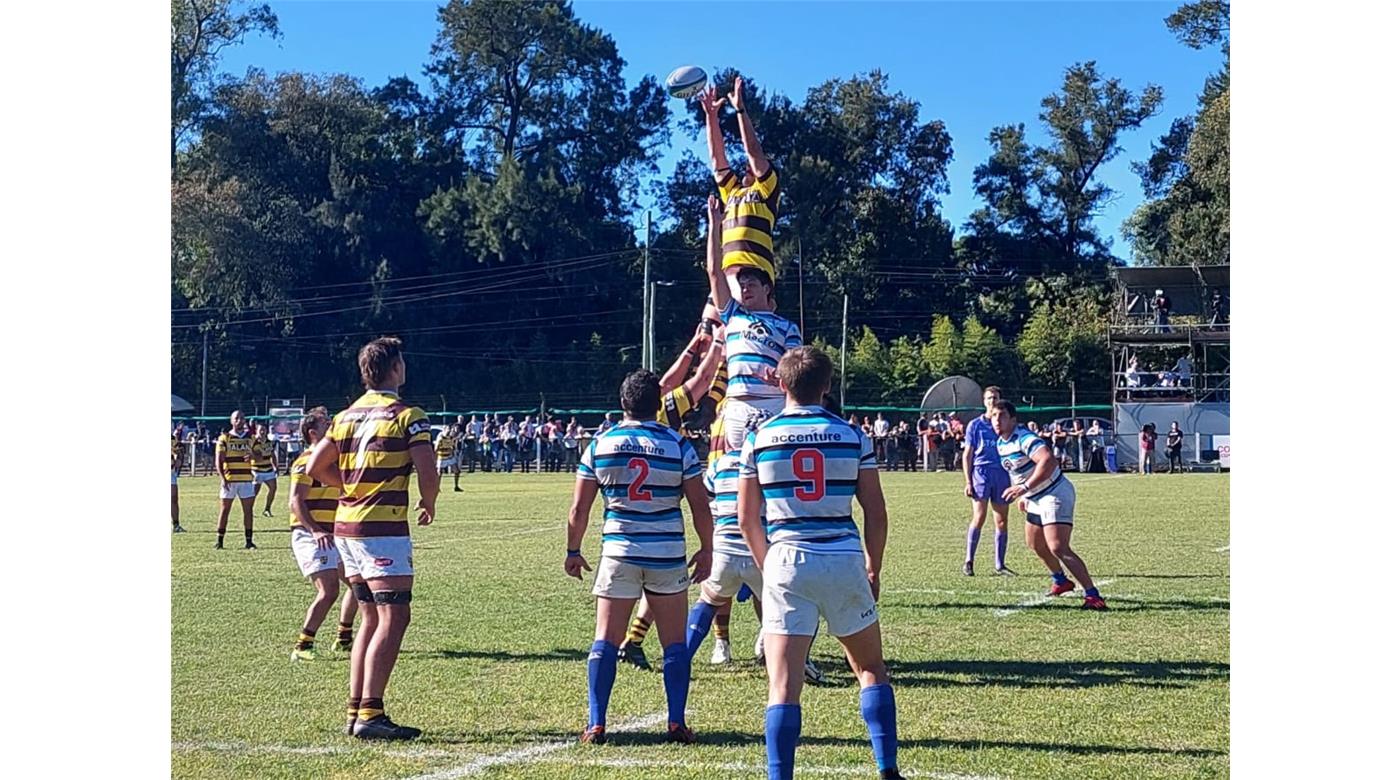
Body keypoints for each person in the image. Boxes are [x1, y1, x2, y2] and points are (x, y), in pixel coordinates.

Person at [737, 346, 906, 780]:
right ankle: (887, 769)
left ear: (780, 383)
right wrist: (875, 566)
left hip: (786, 560)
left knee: (783, 685)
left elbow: (745, 516)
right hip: (842, 556)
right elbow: (876, 510)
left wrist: (767, 563)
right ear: (827, 385)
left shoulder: (760, 437)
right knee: (869, 668)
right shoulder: (852, 436)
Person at [565, 369, 714, 745]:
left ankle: (597, 723)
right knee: (673, 644)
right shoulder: (678, 445)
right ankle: (676, 722)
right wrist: (707, 548)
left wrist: (573, 550)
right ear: (658, 403)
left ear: (622, 403)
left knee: (605, 639)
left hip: (619, 552)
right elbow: (700, 505)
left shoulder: (601, 444)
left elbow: (578, 510)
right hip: (666, 553)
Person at [307, 336, 439, 740]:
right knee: (395, 615)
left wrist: (347, 487)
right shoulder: (407, 415)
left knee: (370, 615)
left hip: (346, 525)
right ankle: (371, 712)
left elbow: (315, 465)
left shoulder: (345, 415)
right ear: (395, 369)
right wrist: (428, 499)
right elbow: (427, 468)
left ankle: (356, 708)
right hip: (380, 529)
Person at [704, 194, 802, 451]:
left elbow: (796, 366)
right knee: (741, 477)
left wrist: (781, 373)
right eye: (742, 285)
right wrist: (715, 225)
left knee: (771, 470)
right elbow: (714, 273)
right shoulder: (733, 316)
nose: (745, 289)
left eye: (751, 285)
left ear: (767, 288)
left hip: (772, 403)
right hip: (737, 404)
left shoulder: (787, 327)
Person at [989, 400, 1106, 610]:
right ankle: (1061, 581)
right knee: (1035, 544)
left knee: (1058, 547)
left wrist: (1023, 488)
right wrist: (1024, 495)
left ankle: (1093, 595)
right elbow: (1015, 471)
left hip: (1054, 493)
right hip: (1034, 497)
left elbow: (1048, 460)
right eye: (994, 415)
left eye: (1002, 415)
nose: (996, 420)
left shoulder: (1024, 438)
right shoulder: (1001, 443)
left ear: (1013, 419)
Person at [288, 408, 358, 661]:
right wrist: (315, 530)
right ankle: (303, 645)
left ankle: (343, 638)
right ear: (313, 433)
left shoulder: (334, 463)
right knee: (328, 590)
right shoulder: (305, 462)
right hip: (310, 534)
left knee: (358, 584)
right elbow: (295, 501)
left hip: (333, 534)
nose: (332, 426)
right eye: (326, 424)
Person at [961, 388, 1015, 577]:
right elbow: (968, 454)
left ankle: (1000, 564)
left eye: (996, 398)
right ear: (984, 401)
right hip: (982, 473)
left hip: (1002, 473)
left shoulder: (1006, 424)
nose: (992, 401)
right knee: (979, 516)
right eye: (989, 398)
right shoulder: (975, 425)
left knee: (1001, 521)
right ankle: (969, 561)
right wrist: (968, 481)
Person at [214, 410, 257, 550]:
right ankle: (219, 541)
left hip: (246, 479)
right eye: (236, 418)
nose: (239, 420)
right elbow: (219, 460)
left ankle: (249, 541)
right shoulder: (224, 438)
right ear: (231, 421)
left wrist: (253, 455)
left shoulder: (251, 438)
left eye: (242, 418)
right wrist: (223, 478)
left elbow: (261, 456)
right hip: (230, 479)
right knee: (225, 509)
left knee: (248, 511)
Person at [250, 423, 280, 518]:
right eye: (260, 430)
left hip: (268, 470)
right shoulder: (252, 442)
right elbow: (250, 455)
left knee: (273, 488)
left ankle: (267, 509)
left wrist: (276, 467)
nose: (262, 432)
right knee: (255, 492)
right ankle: (249, 510)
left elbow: (272, 455)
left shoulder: (269, 442)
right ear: (256, 431)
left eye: (264, 430)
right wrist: (256, 456)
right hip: (257, 471)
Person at [435, 424, 463, 492]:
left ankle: (456, 486)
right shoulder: (440, 437)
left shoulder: (450, 437)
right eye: (448, 429)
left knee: (457, 471)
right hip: (442, 457)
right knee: (439, 473)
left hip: (449, 456)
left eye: (449, 429)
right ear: (444, 430)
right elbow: (436, 448)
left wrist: (453, 450)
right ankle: (437, 487)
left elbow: (452, 446)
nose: (449, 431)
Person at [171, 432, 185, 533]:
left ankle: (176, 525)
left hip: (170, 472)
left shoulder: (172, 438)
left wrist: (177, 457)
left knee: (173, 499)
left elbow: (177, 453)